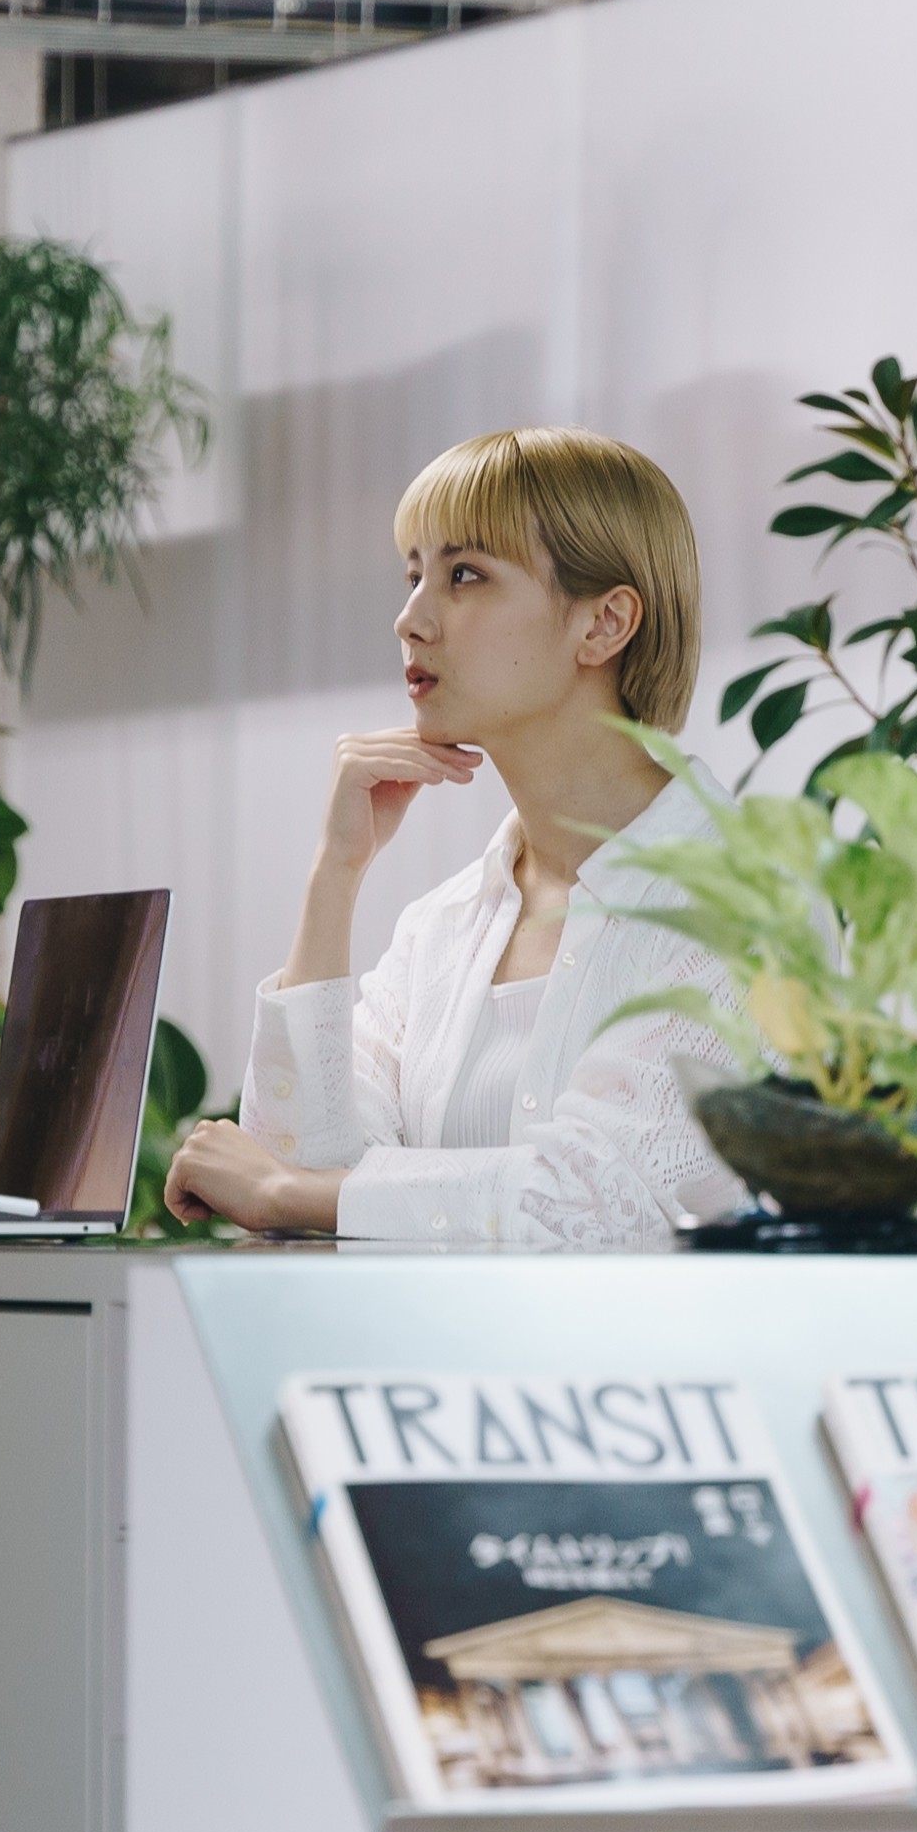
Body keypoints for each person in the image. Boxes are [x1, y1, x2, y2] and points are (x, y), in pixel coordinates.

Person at [162, 427, 751, 1248]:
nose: (410, 618)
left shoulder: (742, 901)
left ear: (604, 623)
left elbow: (607, 1197)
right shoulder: (442, 926)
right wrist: (336, 872)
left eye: (464, 574)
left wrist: (299, 1191)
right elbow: (297, 1164)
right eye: (413, 575)